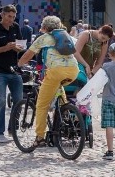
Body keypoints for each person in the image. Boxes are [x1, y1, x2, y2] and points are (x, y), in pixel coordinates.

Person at [17, 15, 80, 146]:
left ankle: (40, 137)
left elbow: (28, 55)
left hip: (56, 71)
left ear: (45, 27)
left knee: (41, 105)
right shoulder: (68, 36)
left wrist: (18, 65)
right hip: (74, 70)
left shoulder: (43, 38)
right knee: (58, 86)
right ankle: (65, 110)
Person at [0, 4, 24, 144]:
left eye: (13, 17)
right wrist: (5, 48)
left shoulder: (16, 27)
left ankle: (13, 128)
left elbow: (21, 47)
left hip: (15, 69)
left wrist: (18, 48)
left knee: (19, 100)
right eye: (9, 16)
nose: (11, 19)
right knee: (1, 101)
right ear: (2, 15)